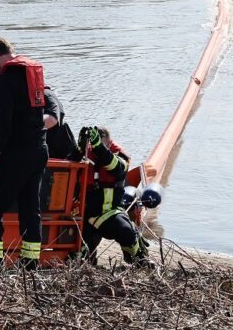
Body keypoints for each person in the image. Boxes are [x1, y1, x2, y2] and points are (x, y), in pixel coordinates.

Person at [0, 38, 49, 268]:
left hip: (16, 151)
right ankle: (30, 262)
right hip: (39, 150)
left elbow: (4, 122)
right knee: (30, 208)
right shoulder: (31, 75)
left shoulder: (7, 79)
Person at [73, 126, 151, 267]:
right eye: (94, 145)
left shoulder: (120, 155)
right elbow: (66, 166)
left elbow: (118, 169)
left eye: (101, 145)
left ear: (109, 143)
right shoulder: (86, 152)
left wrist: (99, 147)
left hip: (109, 211)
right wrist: (79, 149)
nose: (95, 149)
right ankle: (89, 263)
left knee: (126, 232)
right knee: (78, 253)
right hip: (84, 213)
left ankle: (139, 258)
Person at [39, 87, 78, 208]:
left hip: (61, 151)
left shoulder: (47, 94)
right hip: (46, 153)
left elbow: (53, 119)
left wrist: (27, 125)